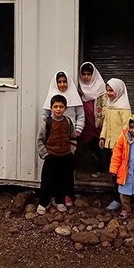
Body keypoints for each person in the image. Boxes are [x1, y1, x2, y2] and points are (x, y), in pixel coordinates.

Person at [41, 70, 84, 207]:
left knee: (66, 172)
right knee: (50, 174)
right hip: (53, 143)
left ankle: (66, 196)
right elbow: (44, 116)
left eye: (64, 81)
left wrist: (77, 132)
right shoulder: (51, 97)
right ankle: (50, 198)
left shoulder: (74, 97)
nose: (62, 84)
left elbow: (81, 116)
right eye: (59, 82)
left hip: (70, 138)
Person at [36, 94, 77, 215]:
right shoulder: (46, 123)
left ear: (65, 108)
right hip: (51, 157)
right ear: (51, 108)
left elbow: (73, 138)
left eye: (61, 106)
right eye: (55, 106)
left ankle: (59, 200)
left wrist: (71, 151)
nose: (58, 109)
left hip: (65, 157)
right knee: (47, 180)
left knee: (62, 179)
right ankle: (43, 202)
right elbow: (40, 140)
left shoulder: (68, 122)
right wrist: (46, 154)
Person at [100, 78, 132, 211]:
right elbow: (106, 122)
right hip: (110, 144)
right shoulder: (109, 104)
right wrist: (102, 137)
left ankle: (118, 198)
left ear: (118, 90)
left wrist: (120, 144)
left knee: (119, 172)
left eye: (111, 90)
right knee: (113, 171)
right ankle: (117, 195)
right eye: (107, 90)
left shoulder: (124, 108)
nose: (109, 93)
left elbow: (126, 128)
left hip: (119, 146)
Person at [77, 62, 107, 178]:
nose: (86, 77)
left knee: (98, 147)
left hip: (97, 124)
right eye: (83, 74)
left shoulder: (100, 88)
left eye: (89, 74)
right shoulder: (79, 88)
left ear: (93, 75)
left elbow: (105, 106)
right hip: (85, 124)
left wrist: (103, 121)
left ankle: (100, 169)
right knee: (89, 147)